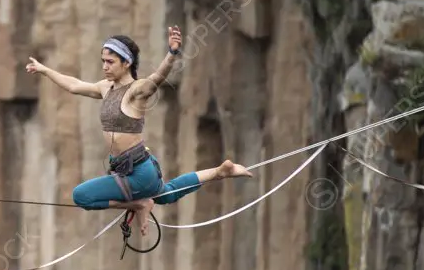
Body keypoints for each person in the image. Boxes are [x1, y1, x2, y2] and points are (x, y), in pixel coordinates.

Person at [25, 26, 253, 235]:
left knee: (81, 196)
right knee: (167, 193)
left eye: (110, 62)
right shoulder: (106, 88)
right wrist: (44, 70)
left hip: (139, 172)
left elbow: (157, 78)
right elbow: (73, 85)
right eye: (103, 61)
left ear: (126, 63)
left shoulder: (136, 90)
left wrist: (172, 54)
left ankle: (140, 203)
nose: (104, 66)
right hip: (138, 170)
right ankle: (220, 172)